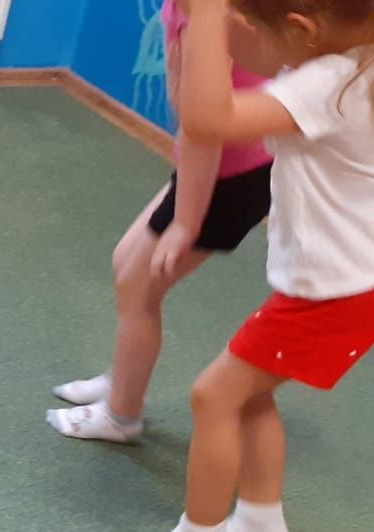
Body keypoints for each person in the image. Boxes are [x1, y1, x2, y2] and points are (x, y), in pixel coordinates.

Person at [133, 0, 374, 532]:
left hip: (335, 293)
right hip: (343, 282)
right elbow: (264, 57)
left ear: (304, 29)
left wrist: (207, 15)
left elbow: (208, 122)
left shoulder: (328, 82)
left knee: (213, 396)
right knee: (249, 393)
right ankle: (261, 516)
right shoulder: (355, 57)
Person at [49, 0, 275, 444]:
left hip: (228, 177)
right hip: (213, 167)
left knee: (139, 285)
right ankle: (122, 380)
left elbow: (202, 129)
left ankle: (121, 416)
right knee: (126, 264)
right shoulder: (189, 8)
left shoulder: (206, 20)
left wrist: (186, 223)